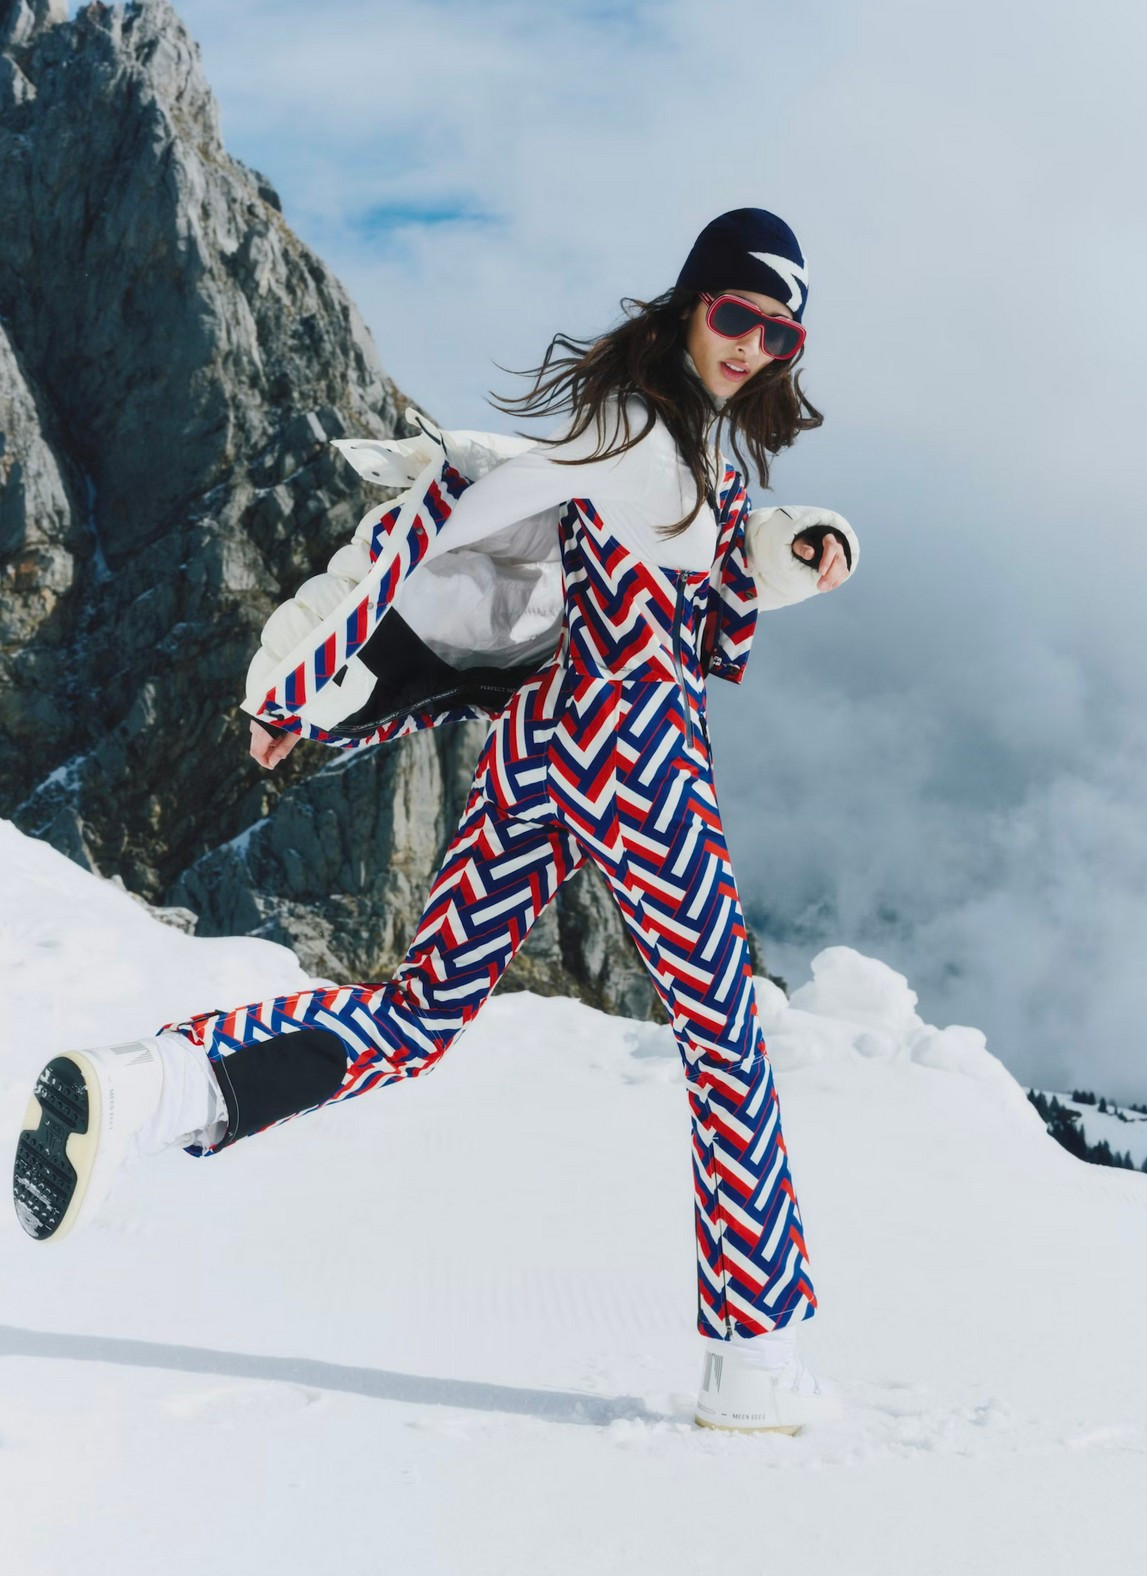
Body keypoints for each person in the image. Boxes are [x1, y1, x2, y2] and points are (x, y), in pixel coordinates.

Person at [14, 209, 859, 1434]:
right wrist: (303, 681)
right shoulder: (637, 433)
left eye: (780, 334)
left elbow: (704, 579)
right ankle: (753, 1357)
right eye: (736, 315)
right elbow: (459, 507)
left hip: (541, 745)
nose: (753, 346)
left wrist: (795, 546)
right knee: (725, 1039)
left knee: (418, 1015)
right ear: (689, 303)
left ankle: (155, 1089)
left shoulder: (686, 444)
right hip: (637, 755)